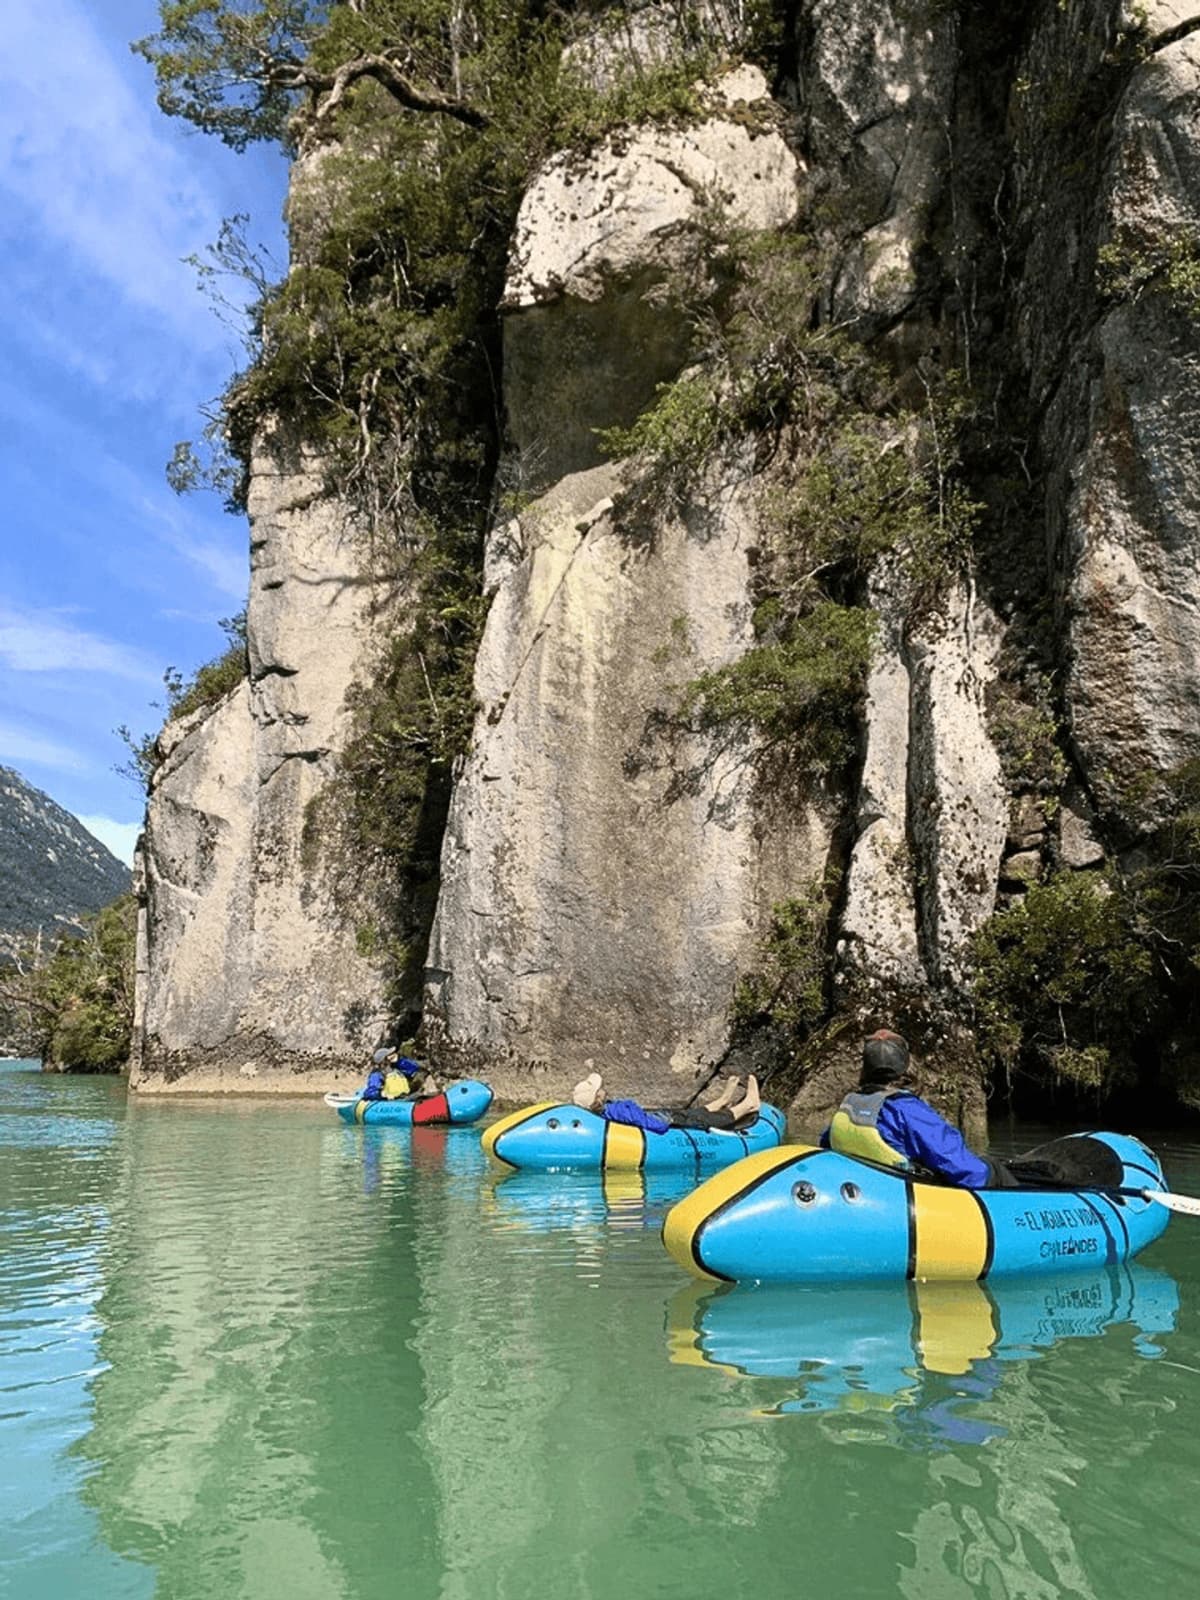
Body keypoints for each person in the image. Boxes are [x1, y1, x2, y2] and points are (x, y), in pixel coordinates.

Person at [819, 1028, 993, 1188]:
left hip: (869, 1187)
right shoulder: (907, 1110)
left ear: (866, 1066)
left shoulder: (849, 1105)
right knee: (992, 1169)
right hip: (908, 1193)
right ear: (904, 1066)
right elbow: (964, 1169)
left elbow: (827, 1143)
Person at [571, 1072, 761, 1132]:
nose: (603, 1088)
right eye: (599, 1089)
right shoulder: (618, 1112)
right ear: (597, 1098)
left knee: (693, 1113)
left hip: (658, 1116)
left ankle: (722, 1100)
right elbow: (651, 1125)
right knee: (701, 1120)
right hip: (663, 1122)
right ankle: (748, 1106)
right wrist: (664, 1121)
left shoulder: (607, 1111)